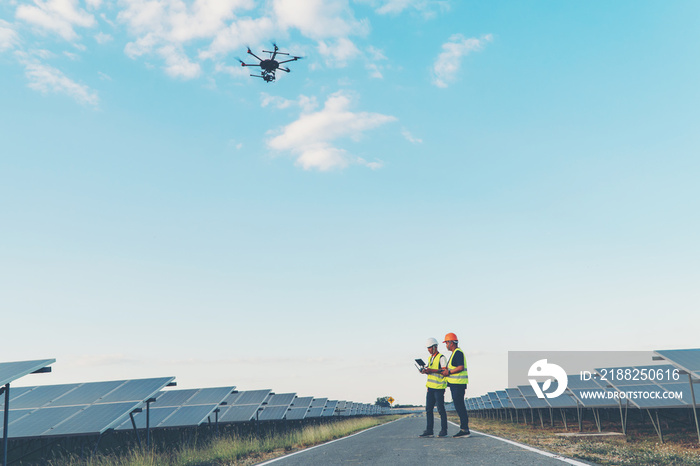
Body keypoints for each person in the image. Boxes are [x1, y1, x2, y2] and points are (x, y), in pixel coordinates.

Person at [441, 332, 470, 438]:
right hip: (456, 385)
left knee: (460, 406)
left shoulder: (458, 353)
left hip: (458, 384)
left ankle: (464, 429)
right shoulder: (454, 353)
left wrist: (448, 372)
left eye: (446, 343)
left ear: (451, 342)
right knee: (459, 406)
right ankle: (464, 428)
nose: (446, 345)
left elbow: (460, 367)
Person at [419, 337, 448, 437]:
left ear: (435, 347)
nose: (429, 350)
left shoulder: (442, 358)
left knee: (440, 409)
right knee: (428, 409)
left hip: (439, 388)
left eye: (430, 348)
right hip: (430, 388)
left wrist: (431, 370)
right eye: (427, 348)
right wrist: (426, 371)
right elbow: (431, 372)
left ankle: (444, 430)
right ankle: (429, 430)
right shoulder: (430, 358)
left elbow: (444, 371)